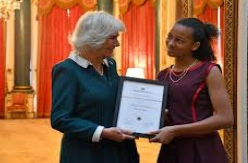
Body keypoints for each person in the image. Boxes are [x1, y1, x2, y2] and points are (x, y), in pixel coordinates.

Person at [51, 11, 139, 163]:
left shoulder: (110, 65)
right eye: (113, 38)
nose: (117, 43)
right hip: (87, 153)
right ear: (94, 38)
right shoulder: (67, 70)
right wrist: (102, 132)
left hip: (120, 149)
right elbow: (60, 119)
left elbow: (117, 100)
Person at [149, 18, 234, 163]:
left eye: (179, 40)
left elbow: (225, 119)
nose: (170, 43)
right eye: (170, 37)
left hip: (202, 150)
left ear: (195, 46)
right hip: (171, 151)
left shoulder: (209, 71)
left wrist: (175, 130)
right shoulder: (163, 75)